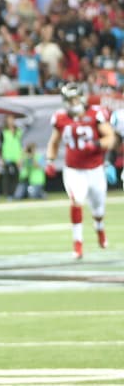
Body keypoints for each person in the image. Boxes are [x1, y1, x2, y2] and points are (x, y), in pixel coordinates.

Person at [46, 82, 115, 259]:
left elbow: (110, 137)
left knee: (98, 209)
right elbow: (54, 141)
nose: (73, 102)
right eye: (69, 99)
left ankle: (99, 227)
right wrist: (50, 161)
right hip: (74, 170)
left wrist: (97, 144)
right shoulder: (60, 118)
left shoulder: (95, 114)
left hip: (95, 169)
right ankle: (78, 243)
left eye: (75, 98)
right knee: (76, 201)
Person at [0, 114, 25, 200]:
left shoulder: (18, 131)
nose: (11, 121)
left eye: (12, 119)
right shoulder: (3, 132)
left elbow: (20, 145)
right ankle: (8, 195)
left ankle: (15, 194)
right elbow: (1, 146)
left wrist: (20, 158)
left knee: (16, 177)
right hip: (7, 157)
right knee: (7, 177)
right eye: (9, 119)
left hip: (16, 158)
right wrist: (2, 158)